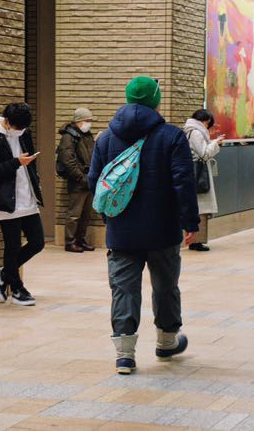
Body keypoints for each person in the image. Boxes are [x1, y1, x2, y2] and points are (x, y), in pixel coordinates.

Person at [89, 76, 199, 374]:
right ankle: (166, 342)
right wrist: (189, 221)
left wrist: (109, 217)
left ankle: (125, 354)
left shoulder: (107, 138)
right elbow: (183, 182)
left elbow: (94, 181)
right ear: (155, 100)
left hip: (122, 230)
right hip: (162, 229)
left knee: (123, 288)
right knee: (165, 286)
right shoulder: (171, 136)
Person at [0, 102, 44, 306]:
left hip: (27, 196)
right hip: (6, 199)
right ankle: (16, 288)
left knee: (37, 242)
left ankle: (5, 274)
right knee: (13, 246)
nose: (20, 132)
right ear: (7, 122)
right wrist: (16, 162)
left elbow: (30, 161)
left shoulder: (24, 132)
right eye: (17, 128)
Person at [183, 109, 224, 251]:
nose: (208, 127)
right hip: (199, 172)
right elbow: (204, 153)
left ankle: (195, 240)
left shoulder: (191, 130)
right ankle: (196, 241)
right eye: (208, 124)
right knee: (201, 208)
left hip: (195, 171)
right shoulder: (196, 132)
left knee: (198, 207)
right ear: (205, 121)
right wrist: (216, 143)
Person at [58, 107, 96, 253]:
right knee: (74, 213)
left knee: (86, 213)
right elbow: (67, 160)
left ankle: (81, 239)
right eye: (87, 121)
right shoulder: (69, 137)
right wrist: (81, 177)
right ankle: (70, 242)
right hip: (78, 181)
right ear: (79, 121)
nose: (89, 124)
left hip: (88, 179)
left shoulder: (86, 135)